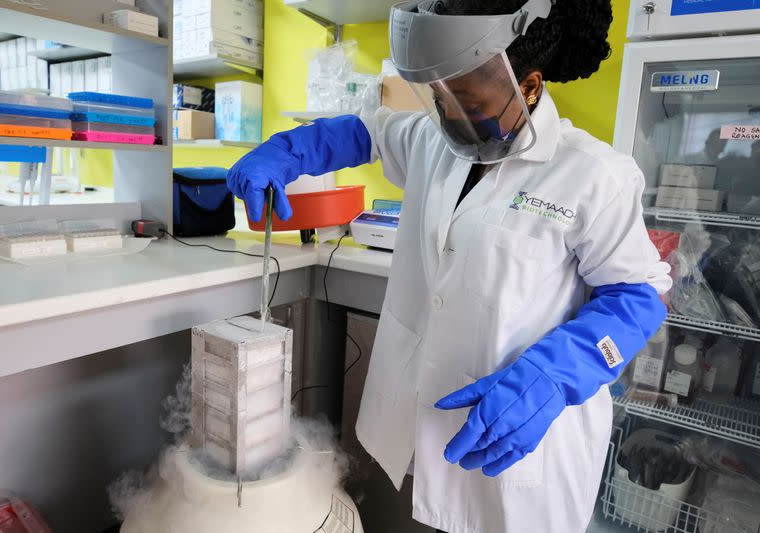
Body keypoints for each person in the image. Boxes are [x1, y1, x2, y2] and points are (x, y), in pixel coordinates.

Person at [228, 0, 672, 531]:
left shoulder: (595, 174)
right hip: (434, 419)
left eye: (466, 100)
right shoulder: (435, 143)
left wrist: (556, 374)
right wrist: (287, 150)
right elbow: (365, 132)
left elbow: (638, 297)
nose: (448, 115)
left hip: (526, 445)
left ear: (527, 85)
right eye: (439, 98)